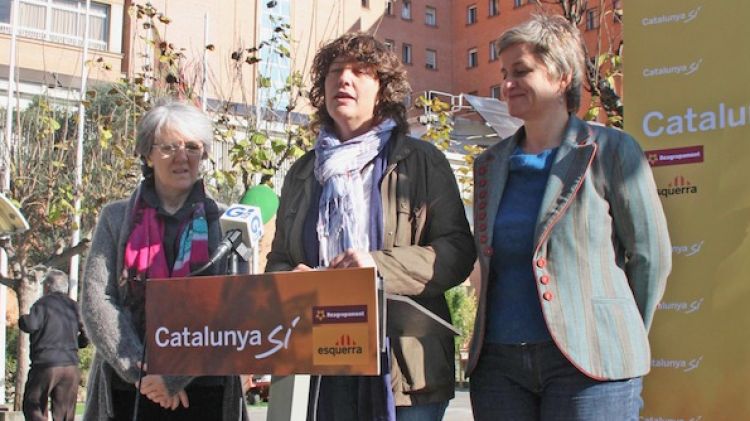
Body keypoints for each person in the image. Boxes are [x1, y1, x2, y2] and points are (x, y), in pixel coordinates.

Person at [466, 15, 672, 420]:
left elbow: (652, 257)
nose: (507, 84)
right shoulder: (488, 164)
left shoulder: (612, 151)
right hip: (499, 369)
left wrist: (614, 332)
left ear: (562, 77)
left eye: (521, 71)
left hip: (591, 366)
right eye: (504, 73)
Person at [266, 33, 476, 420]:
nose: (343, 80)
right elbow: (278, 258)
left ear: (383, 91)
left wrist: (377, 268)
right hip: (318, 358)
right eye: (334, 72)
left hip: (404, 368)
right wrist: (291, 279)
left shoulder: (422, 160)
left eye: (359, 72)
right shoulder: (301, 172)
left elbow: (458, 251)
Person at [80, 99, 247, 421]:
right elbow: (97, 298)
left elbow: (233, 306)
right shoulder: (115, 219)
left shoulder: (229, 222)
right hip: (131, 385)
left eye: (193, 147)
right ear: (148, 154)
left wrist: (174, 377)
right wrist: (138, 370)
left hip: (205, 386)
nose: (182, 157)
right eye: (170, 147)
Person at [19, 269, 88, 421]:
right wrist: (78, 343)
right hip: (70, 365)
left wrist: (23, 319)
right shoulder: (74, 306)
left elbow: (31, 325)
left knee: (33, 406)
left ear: (47, 287)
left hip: (46, 364)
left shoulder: (42, 304)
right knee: (65, 413)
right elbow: (87, 332)